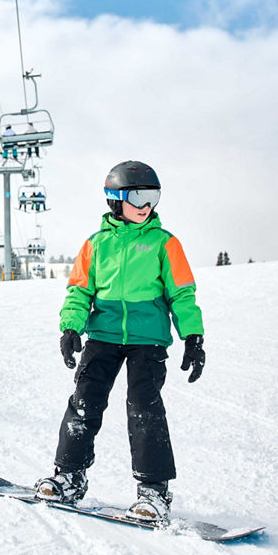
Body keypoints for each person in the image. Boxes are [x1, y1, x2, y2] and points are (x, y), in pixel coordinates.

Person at [34, 160, 206, 524]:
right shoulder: (96, 245)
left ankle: (153, 493)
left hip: (148, 339)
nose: (146, 205)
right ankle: (68, 477)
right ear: (115, 199)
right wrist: (70, 329)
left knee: (144, 408)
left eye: (152, 197)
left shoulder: (164, 243)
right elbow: (79, 291)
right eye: (138, 196)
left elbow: (183, 294)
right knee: (84, 403)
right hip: (103, 335)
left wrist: (193, 335)